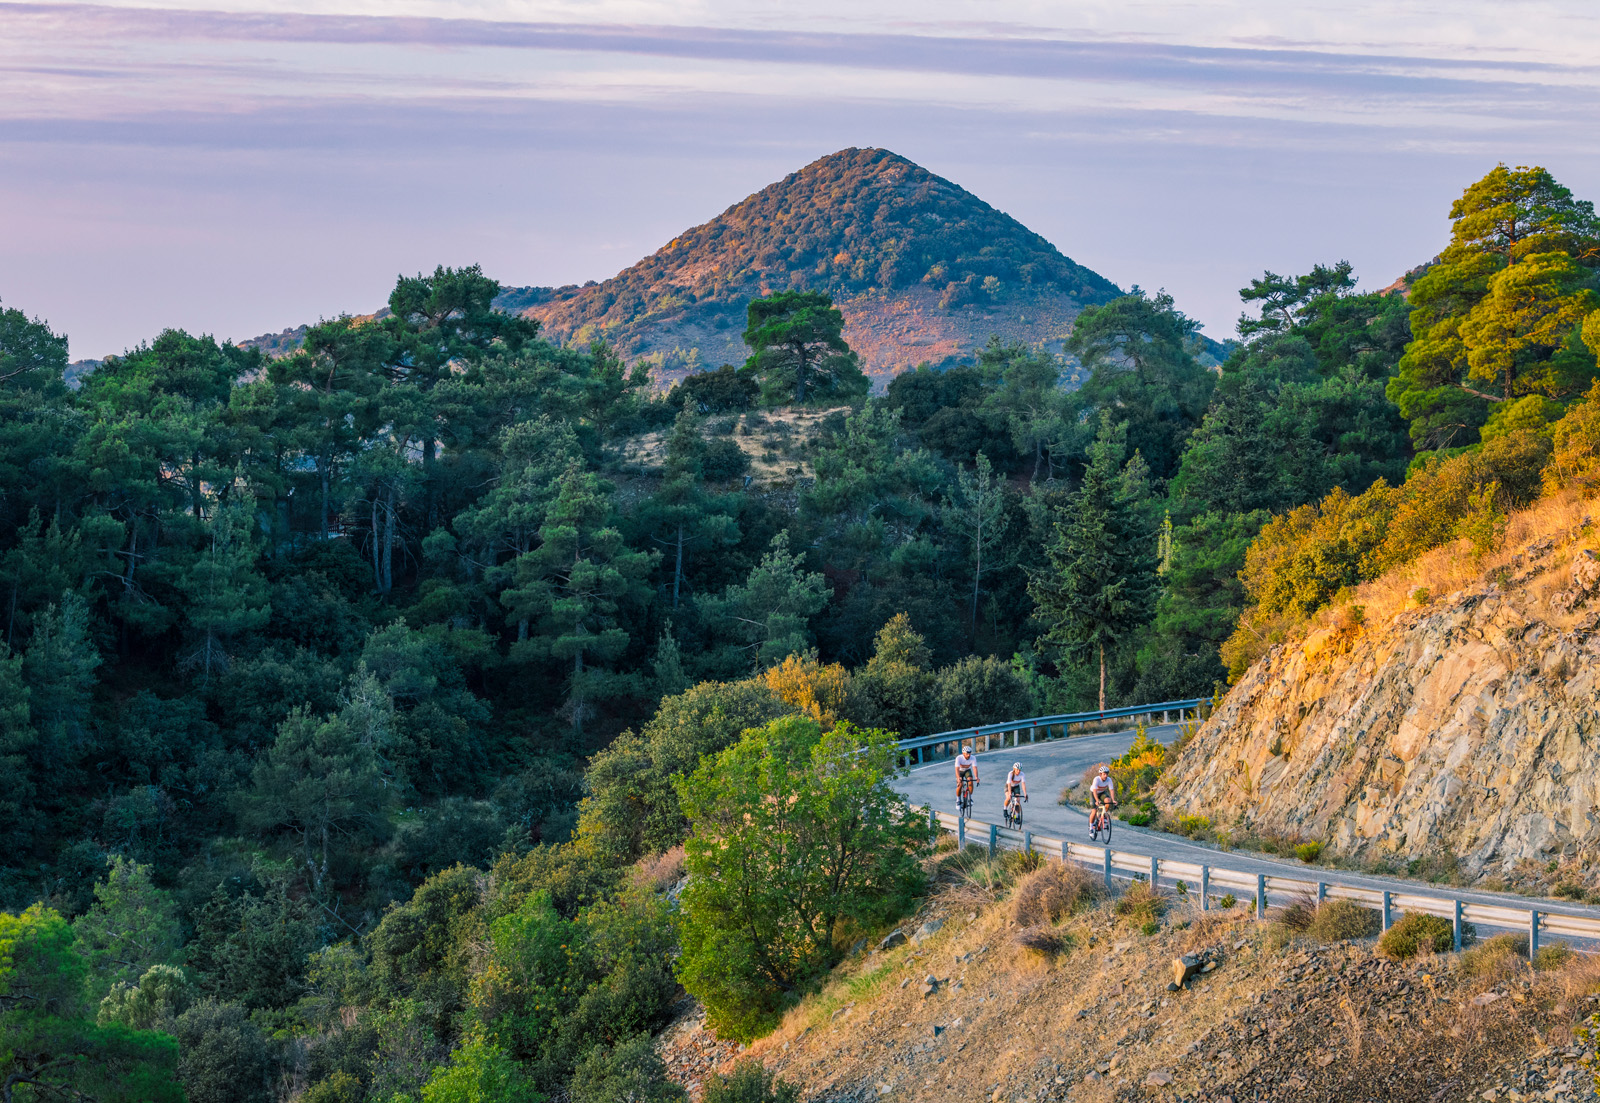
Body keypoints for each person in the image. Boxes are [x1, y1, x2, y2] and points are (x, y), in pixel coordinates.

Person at [1088, 765, 1117, 831]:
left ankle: (1103, 815)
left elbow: (1111, 790)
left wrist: (1113, 800)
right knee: (1094, 811)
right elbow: (1094, 791)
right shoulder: (1096, 779)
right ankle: (1091, 827)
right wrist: (1097, 800)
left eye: (1107, 774)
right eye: (1104, 774)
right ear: (1100, 774)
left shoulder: (1109, 780)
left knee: (1108, 800)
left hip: (1102, 793)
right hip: (1093, 793)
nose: (1106, 776)